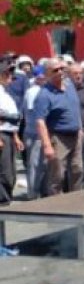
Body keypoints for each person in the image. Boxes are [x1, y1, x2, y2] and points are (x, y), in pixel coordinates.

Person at [34, 58, 84, 196]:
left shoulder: (70, 85)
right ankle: (55, 204)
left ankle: (76, 200)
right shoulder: (44, 94)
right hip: (58, 137)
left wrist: (79, 128)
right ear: (48, 74)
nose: (60, 72)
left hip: (75, 135)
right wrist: (47, 146)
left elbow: (75, 108)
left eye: (62, 68)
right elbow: (40, 121)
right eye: (56, 70)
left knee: (77, 169)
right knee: (57, 175)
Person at [0, 60, 23, 202]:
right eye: (7, 73)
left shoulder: (5, 93)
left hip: (8, 133)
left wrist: (16, 137)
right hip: (1, 134)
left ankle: (5, 200)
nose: (10, 77)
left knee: (10, 172)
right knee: (4, 172)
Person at [23, 66, 47, 198]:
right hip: (35, 133)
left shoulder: (41, 90)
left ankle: (39, 192)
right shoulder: (33, 91)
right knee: (35, 165)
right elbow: (35, 112)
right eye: (42, 76)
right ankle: (32, 194)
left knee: (42, 165)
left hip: (38, 133)